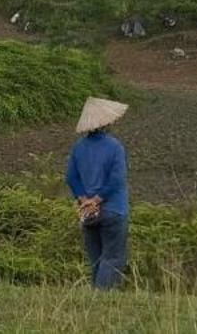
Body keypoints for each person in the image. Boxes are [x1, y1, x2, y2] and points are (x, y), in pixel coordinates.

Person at [66, 96, 130, 290]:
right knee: (112, 257)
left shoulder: (78, 148)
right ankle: (101, 298)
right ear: (106, 122)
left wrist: (85, 199)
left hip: (88, 212)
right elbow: (117, 179)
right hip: (113, 210)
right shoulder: (115, 147)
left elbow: (71, 178)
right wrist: (97, 199)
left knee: (95, 258)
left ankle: (94, 299)